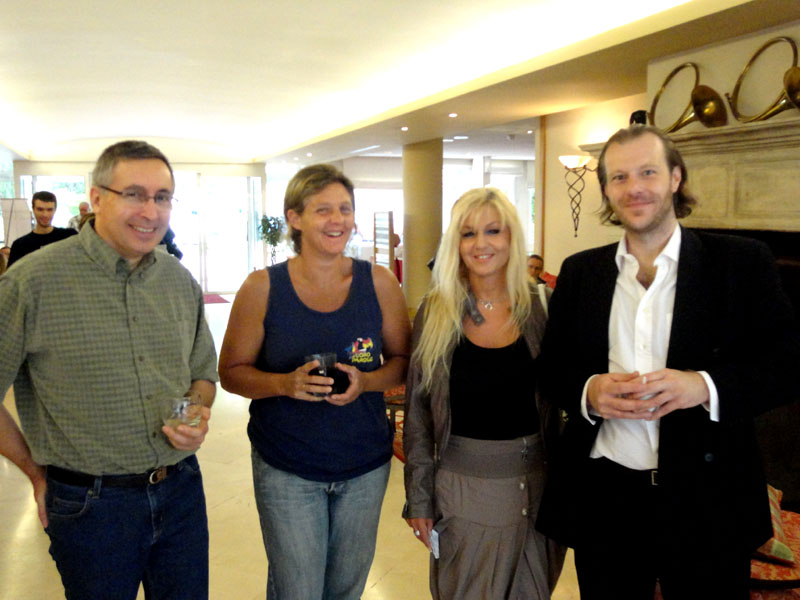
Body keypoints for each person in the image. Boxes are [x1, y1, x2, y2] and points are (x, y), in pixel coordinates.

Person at [535, 125, 800, 599]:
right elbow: (552, 368)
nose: (634, 187)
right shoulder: (581, 272)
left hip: (709, 496)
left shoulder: (741, 263)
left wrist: (704, 386)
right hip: (606, 496)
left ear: (676, 178)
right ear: (606, 191)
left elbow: (787, 362)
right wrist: (589, 391)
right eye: (619, 177)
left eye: (648, 172)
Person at [0, 140, 218, 599]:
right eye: (134, 194)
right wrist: (36, 473)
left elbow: (203, 372)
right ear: (97, 198)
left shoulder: (178, 280)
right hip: (89, 505)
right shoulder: (31, 281)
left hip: (180, 490)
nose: (151, 211)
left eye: (162, 197)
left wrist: (195, 412)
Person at [218, 163, 411, 600]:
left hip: (364, 463)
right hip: (288, 465)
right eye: (323, 209)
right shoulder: (262, 288)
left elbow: (403, 361)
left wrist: (368, 381)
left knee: (346, 589)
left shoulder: (379, 283)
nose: (337, 220)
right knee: (297, 589)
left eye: (345, 208)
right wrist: (285, 385)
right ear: (294, 218)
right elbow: (230, 373)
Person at [403, 187, 565, 600]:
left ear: (512, 237)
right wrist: (419, 498)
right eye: (468, 233)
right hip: (461, 491)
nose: (481, 244)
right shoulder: (435, 310)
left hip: (538, 489)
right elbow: (419, 413)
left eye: (493, 230)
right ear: (454, 243)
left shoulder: (543, 307)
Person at [7, 191, 76, 267]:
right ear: (33, 209)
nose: (45, 214)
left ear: (55, 210)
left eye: (49, 210)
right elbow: (13, 276)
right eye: (40, 209)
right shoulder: (20, 245)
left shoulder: (69, 237)